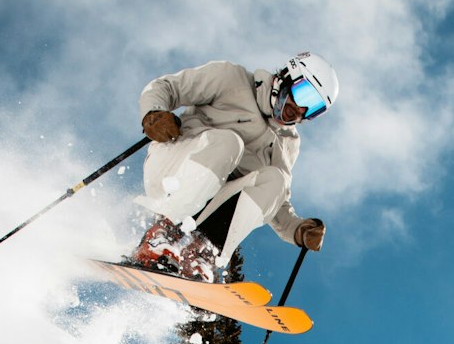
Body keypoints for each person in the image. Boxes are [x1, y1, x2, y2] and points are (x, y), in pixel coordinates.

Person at [129, 52, 337, 281]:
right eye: (304, 94)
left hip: (207, 203)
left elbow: (276, 202)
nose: (301, 110)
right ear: (288, 76)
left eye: (314, 108)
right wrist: (154, 114)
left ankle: (202, 252)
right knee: (230, 143)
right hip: (173, 170)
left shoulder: (287, 142)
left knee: (275, 179)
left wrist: (298, 229)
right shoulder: (231, 79)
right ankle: (162, 233)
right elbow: (167, 87)